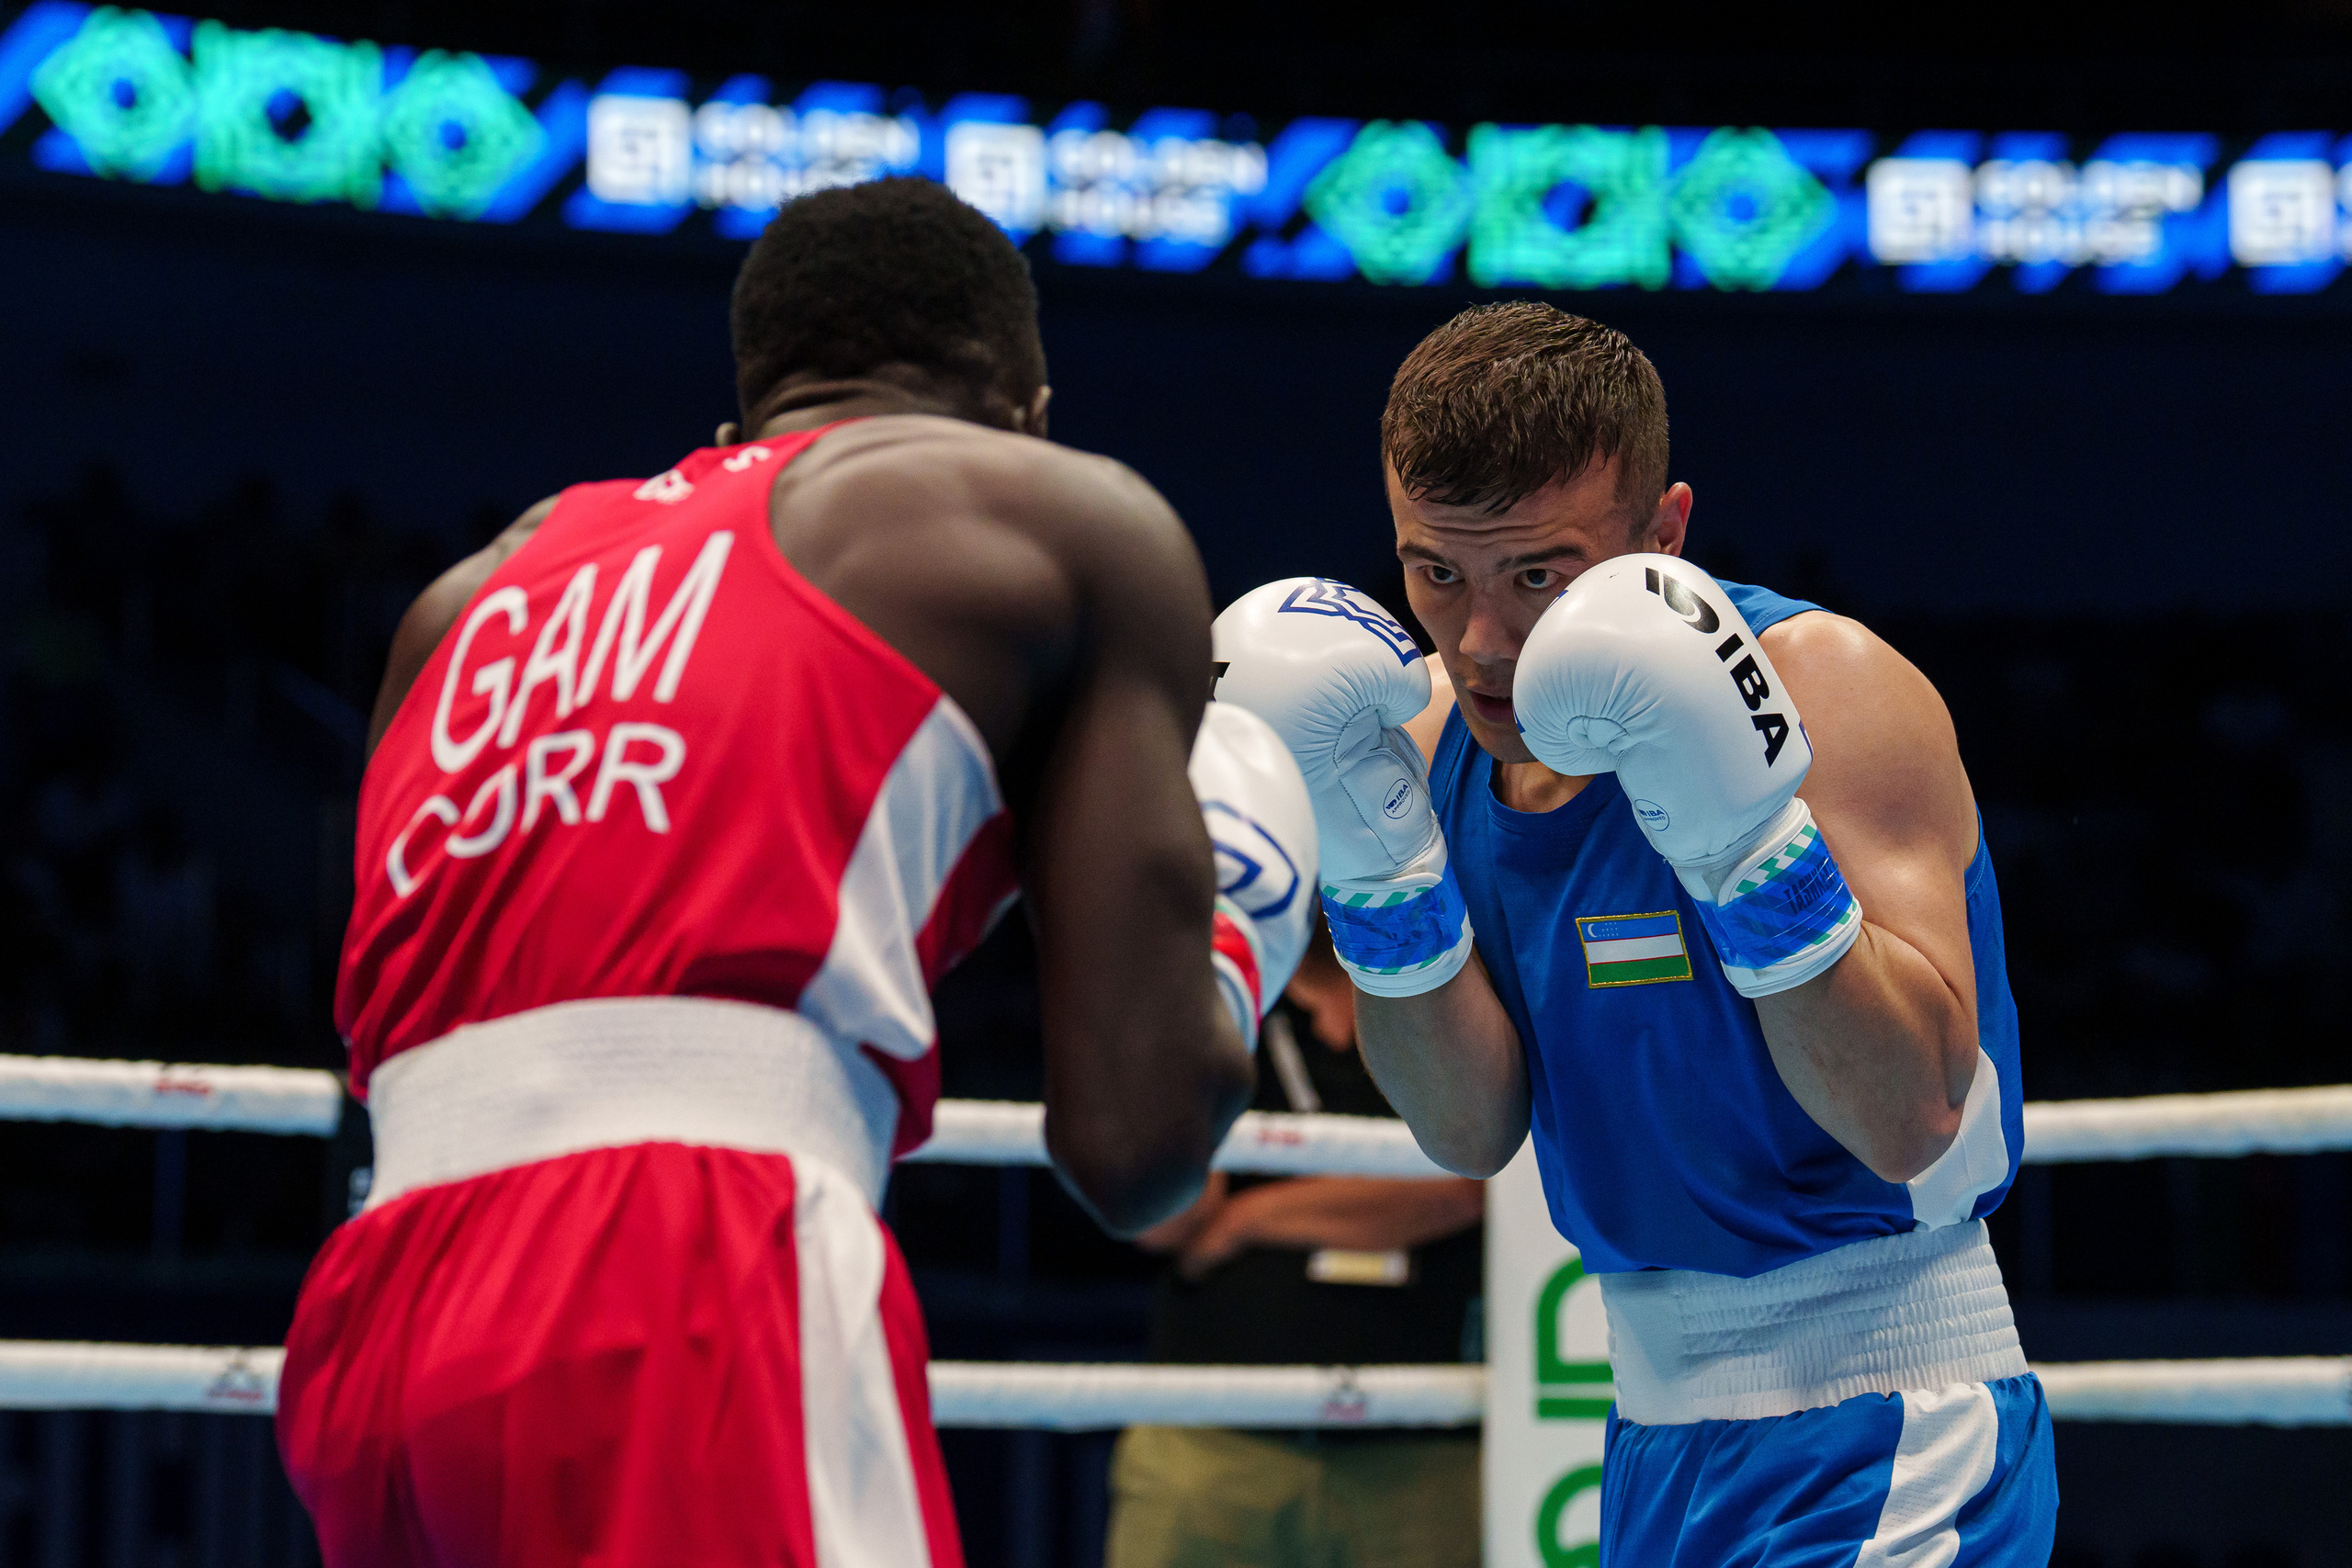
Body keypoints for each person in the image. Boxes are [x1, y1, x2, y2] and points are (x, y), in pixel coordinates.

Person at [276, 177, 1318, 1568]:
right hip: (691, 1273)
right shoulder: (1059, 518)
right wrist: (1242, 924)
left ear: (741, 422)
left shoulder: (464, 600)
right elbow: (1135, 1153)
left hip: (375, 1316)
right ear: (1029, 422)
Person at [1213, 302, 2056, 1563]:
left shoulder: (1830, 686)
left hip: (1891, 1420)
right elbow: (1465, 1125)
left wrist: (1741, 838)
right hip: (1658, 1434)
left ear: (1664, 533)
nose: (1483, 639)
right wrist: (1375, 861)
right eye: (1437, 570)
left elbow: (1910, 1118)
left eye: (1539, 574)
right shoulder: (1433, 738)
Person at [1109, 918, 1485, 1568]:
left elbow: (1462, 1184)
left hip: (1420, 1451)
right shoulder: (1222, 995)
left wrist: (1249, 1218)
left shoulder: (1444, 986)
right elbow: (1165, 1220)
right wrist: (1200, 1003)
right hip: (1214, 1441)